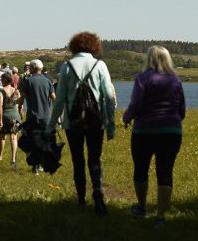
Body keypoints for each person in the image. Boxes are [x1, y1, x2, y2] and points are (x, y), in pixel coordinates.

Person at [47, 32, 117, 214]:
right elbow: (109, 97)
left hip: (73, 122)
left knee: (78, 161)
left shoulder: (67, 67)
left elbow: (60, 100)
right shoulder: (100, 65)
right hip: (95, 121)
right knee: (95, 159)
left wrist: (51, 125)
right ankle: (98, 190)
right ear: (94, 46)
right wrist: (110, 125)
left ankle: (81, 199)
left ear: (74, 46)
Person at [122, 46, 186, 228]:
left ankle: (141, 208)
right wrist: (173, 121)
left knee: (141, 169)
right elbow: (182, 109)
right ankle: (160, 216)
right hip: (171, 132)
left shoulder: (142, 78)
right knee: (165, 172)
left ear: (149, 59)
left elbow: (135, 104)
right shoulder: (175, 80)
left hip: (144, 132)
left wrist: (126, 118)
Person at [19, 59, 56, 173]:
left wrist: (19, 107)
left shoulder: (28, 81)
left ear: (32, 68)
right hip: (45, 115)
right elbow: (54, 97)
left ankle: (36, 167)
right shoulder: (48, 81)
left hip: (32, 115)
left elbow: (22, 96)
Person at [0, 71, 23, 168]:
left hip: (5, 115)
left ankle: (0, 156)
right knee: (13, 137)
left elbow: (0, 104)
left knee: (2, 137)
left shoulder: (1, 91)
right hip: (15, 116)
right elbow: (19, 102)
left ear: (4, 80)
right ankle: (13, 159)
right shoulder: (16, 90)